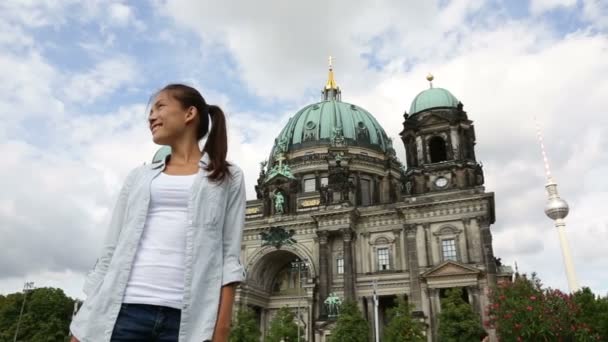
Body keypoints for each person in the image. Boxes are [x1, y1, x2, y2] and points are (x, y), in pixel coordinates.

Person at [70, 84, 246, 342]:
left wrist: (221, 331)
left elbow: (229, 258)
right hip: (122, 312)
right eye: (150, 110)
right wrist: (83, 324)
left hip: (188, 322)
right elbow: (110, 252)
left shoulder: (228, 177)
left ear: (189, 114)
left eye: (160, 106)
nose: (151, 116)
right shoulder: (138, 177)